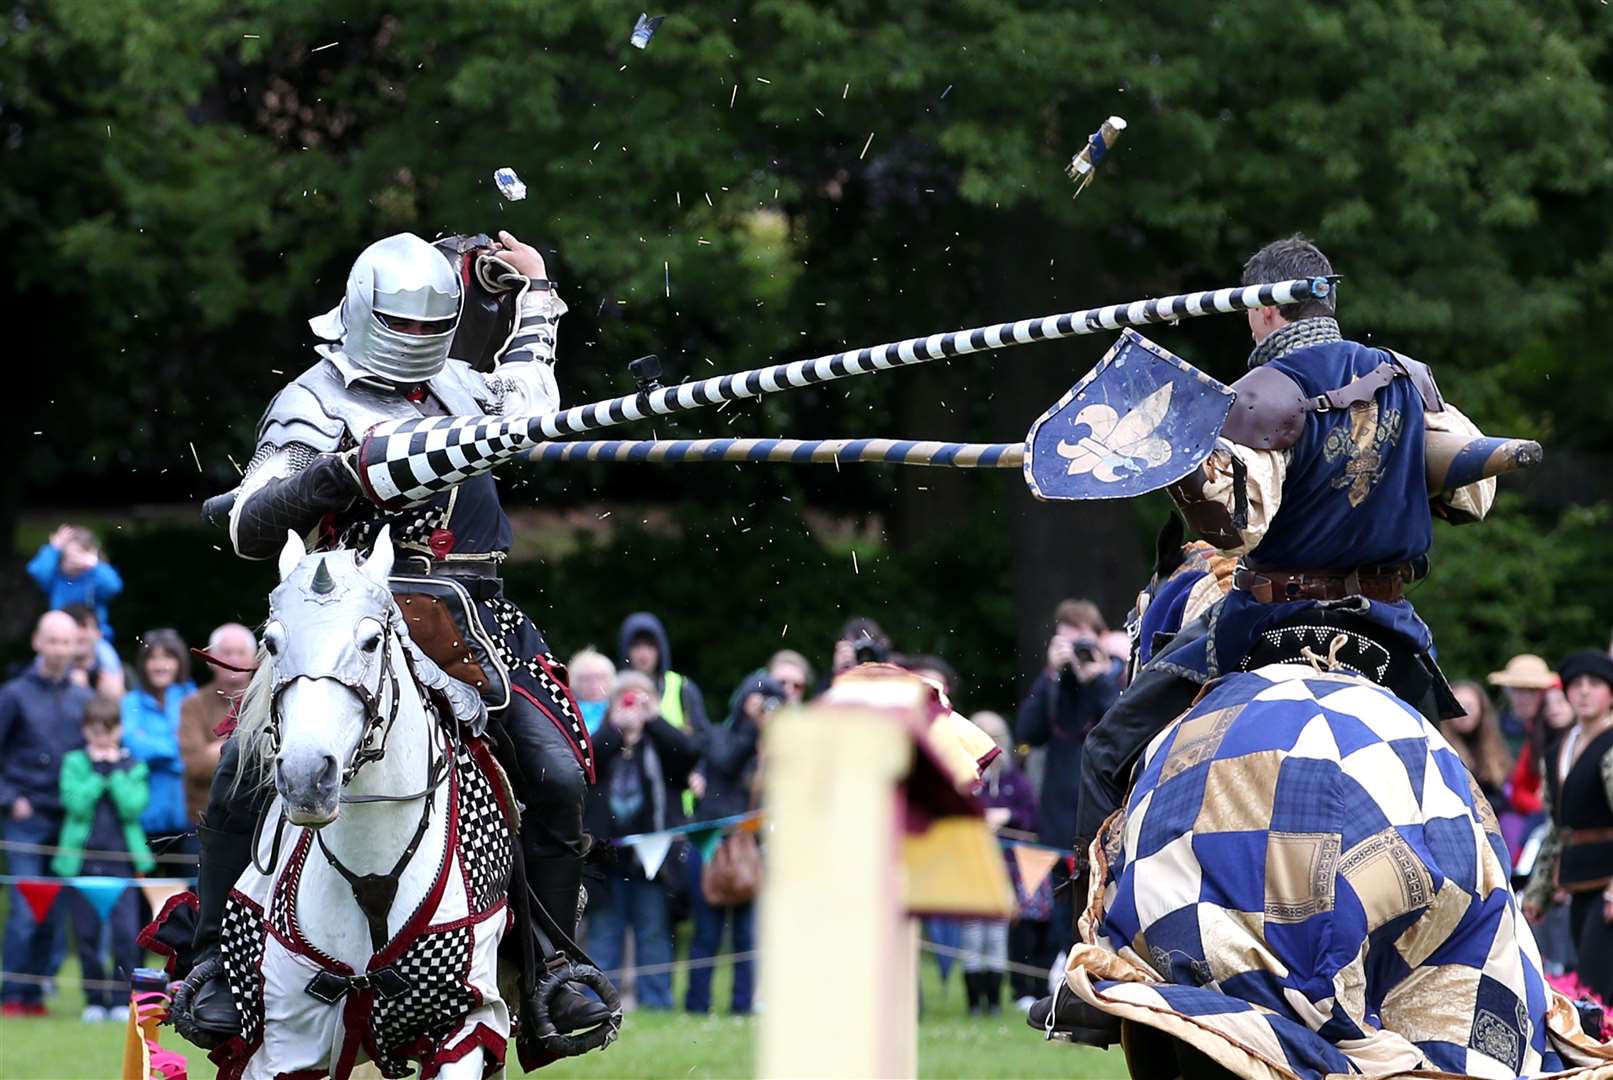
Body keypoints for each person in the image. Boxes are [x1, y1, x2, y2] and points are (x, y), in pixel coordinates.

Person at [175, 230, 611, 1049]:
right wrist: (341, 471)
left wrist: (536, 298)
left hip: (470, 615)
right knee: (242, 770)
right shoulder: (315, 398)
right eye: (401, 327)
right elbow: (249, 523)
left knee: (554, 773)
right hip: (345, 614)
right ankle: (211, 968)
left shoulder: (457, 387)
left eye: (428, 328)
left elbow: (533, 415)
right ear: (364, 312)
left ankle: (552, 966)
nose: (416, 344)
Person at [1068, 235, 1497, 920]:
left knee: (1105, 749)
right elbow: (1472, 497)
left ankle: (1095, 942)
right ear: (1327, 299)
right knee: (1452, 794)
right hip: (1388, 625)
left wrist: (1179, 463)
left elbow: (1235, 526)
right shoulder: (1407, 378)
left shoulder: (1259, 396)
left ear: (1263, 311)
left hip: (1267, 618)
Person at [584, 672, 701, 1010]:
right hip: (607, 861)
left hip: (653, 860)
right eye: (626, 698)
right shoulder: (603, 740)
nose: (633, 706)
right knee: (604, 935)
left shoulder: (660, 745)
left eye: (640, 699)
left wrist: (655, 720)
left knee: (653, 933)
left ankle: (657, 1002)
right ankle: (598, 1006)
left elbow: (688, 755)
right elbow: (586, 763)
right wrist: (615, 729)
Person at [0, 612, 92, 1016]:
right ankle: (11, 995)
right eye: (52, 641)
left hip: (67, 821)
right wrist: (9, 799)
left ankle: (35, 996)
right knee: (25, 907)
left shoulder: (83, 699)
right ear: (38, 642)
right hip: (24, 815)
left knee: (54, 912)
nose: (59, 649)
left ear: (76, 647)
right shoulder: (13, 694)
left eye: (66, 641)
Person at [684, 673, 784, 1016]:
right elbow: (726, 762)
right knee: (706, 934)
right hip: (713, 847)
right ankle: (697, 1007)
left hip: (753, 849)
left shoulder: (779, 748)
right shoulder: (720, 736)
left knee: (746, 937)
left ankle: (741, 1008)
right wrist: (755, 728)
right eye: (758, 698)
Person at [51, 695, 154, 1023]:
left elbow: (132, 807)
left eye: (109, 731)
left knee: (126, 935)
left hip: (122, 865)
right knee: (87, 935)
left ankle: (121, 999)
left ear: (119, 730)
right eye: (96, 732)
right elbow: (75, 804)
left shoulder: (134, 766)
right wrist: (97, 773)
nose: (103, 739)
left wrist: (115, 772)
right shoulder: (74, 763)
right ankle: (94, 999)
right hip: (82, 864)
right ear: (86, 732)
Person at [1521, 650, 1613, 1004]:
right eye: (1577, 685)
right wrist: (1539, 890)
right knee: (1587, 980)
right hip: (1579, 876)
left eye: (1595, 684)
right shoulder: (1558, 750)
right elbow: (1558, 827)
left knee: (1600, 980)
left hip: (1609, 880)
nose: (1585, 692)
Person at [1014, 599, 1120, 863]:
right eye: (1068, 644)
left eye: (1082, 642)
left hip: (1105, 822)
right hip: (1058, 826)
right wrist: (1051, 674)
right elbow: (1027, 732)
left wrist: (1098, 681)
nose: (1076, 652)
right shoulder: (1055, 684)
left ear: (1101, 639)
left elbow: (1123, 729)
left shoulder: (1117, 678)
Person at [959, 711, 1040, 1016]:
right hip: (969, 866)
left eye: (997, 738)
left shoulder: (1016, 782)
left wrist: (1008, 817)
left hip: (1006, 868)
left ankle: (993, 1003)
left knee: (996, 935)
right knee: (971, 934)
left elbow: (1032, 819)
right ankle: (973, 1005)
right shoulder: (962, 779)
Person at [120, 629, 195, 854]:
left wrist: (155, 748)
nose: (159, 665)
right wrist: (174, 750)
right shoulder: (130, 701)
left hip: (188, 812)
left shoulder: (191, 697)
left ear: (179, 662)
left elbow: (194, 751)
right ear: (143, 664)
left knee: (192, 886)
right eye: (153, 658)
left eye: (167, 657)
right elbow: (133, 746)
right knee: (147, 887)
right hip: (144, 813)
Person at [179, 624, 257, 825]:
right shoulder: (193, 704)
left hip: (257, 820)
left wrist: (216, 749)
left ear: (255, 660)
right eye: (227, 653)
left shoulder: (266, 702)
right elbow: (195, 765)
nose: (234, 659)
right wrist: (247, 748)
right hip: (206, 820)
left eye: (241, 652)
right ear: (211, 660)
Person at [617, 612, 710, 733]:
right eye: (636, 646)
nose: (643, 654)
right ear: (626, 650)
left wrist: (655, 720)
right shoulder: (614, 689)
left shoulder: (683, 688)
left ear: (661, 649)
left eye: (650, 645)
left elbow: (702, 742)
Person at [27, 526, 123, 641]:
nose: (73, 563)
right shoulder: (55, 578)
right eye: (68, 558)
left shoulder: (94, 577)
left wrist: (95, 565)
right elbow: (37, 572)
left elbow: (113, 587)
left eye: (78, 557)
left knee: (107, 658)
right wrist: (53, 548)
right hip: (61, 636)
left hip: (93, 637)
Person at [1444, 680, 1512, 819]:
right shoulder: (1442, 751)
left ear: (1481, 709)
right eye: (1458, 705)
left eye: (1469, 706)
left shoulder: (1496, 749)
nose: (1463, 712)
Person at [1488, 653, 1556, 755]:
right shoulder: (1495, 727)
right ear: (1507, 691)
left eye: (1532, 690)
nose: (1524, 697)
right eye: (1517, 689)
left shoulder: (1557, 729)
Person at [62, 603, 125, 698]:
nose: (79, 634)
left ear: (99, 633)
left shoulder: (123, 675)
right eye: (74, 627)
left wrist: (118, 698)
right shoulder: (45, 676)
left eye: (84, 626)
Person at [567, 647, 617, 737]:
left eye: (600, 677)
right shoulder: (568, 713)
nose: (594, 684)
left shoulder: (617, 710)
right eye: (586, 679)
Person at [829, 616, 892, 682]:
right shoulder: (841, 679)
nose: (865, 657)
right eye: (857, 648)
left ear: (883, 644)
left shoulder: (897, 670)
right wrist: (840, 670)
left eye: (869, 646)